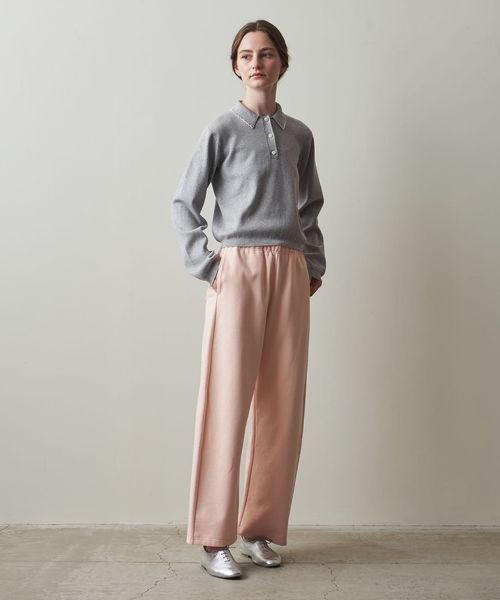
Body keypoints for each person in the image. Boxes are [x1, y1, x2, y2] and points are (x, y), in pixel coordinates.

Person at [171, 19, 326, 579]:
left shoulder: (300, 135)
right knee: (226, 399)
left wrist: (312, 263)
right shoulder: (221, 129)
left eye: (265, 54)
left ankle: (260, 528)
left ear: (282, 61)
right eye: (245, 55)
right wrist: (209, 263)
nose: (256, 63)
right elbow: (184, 202)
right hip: (237, 267)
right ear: (236, 66)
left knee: (283, 404)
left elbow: (310, 206)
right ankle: (214, 538)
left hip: (289, 268)